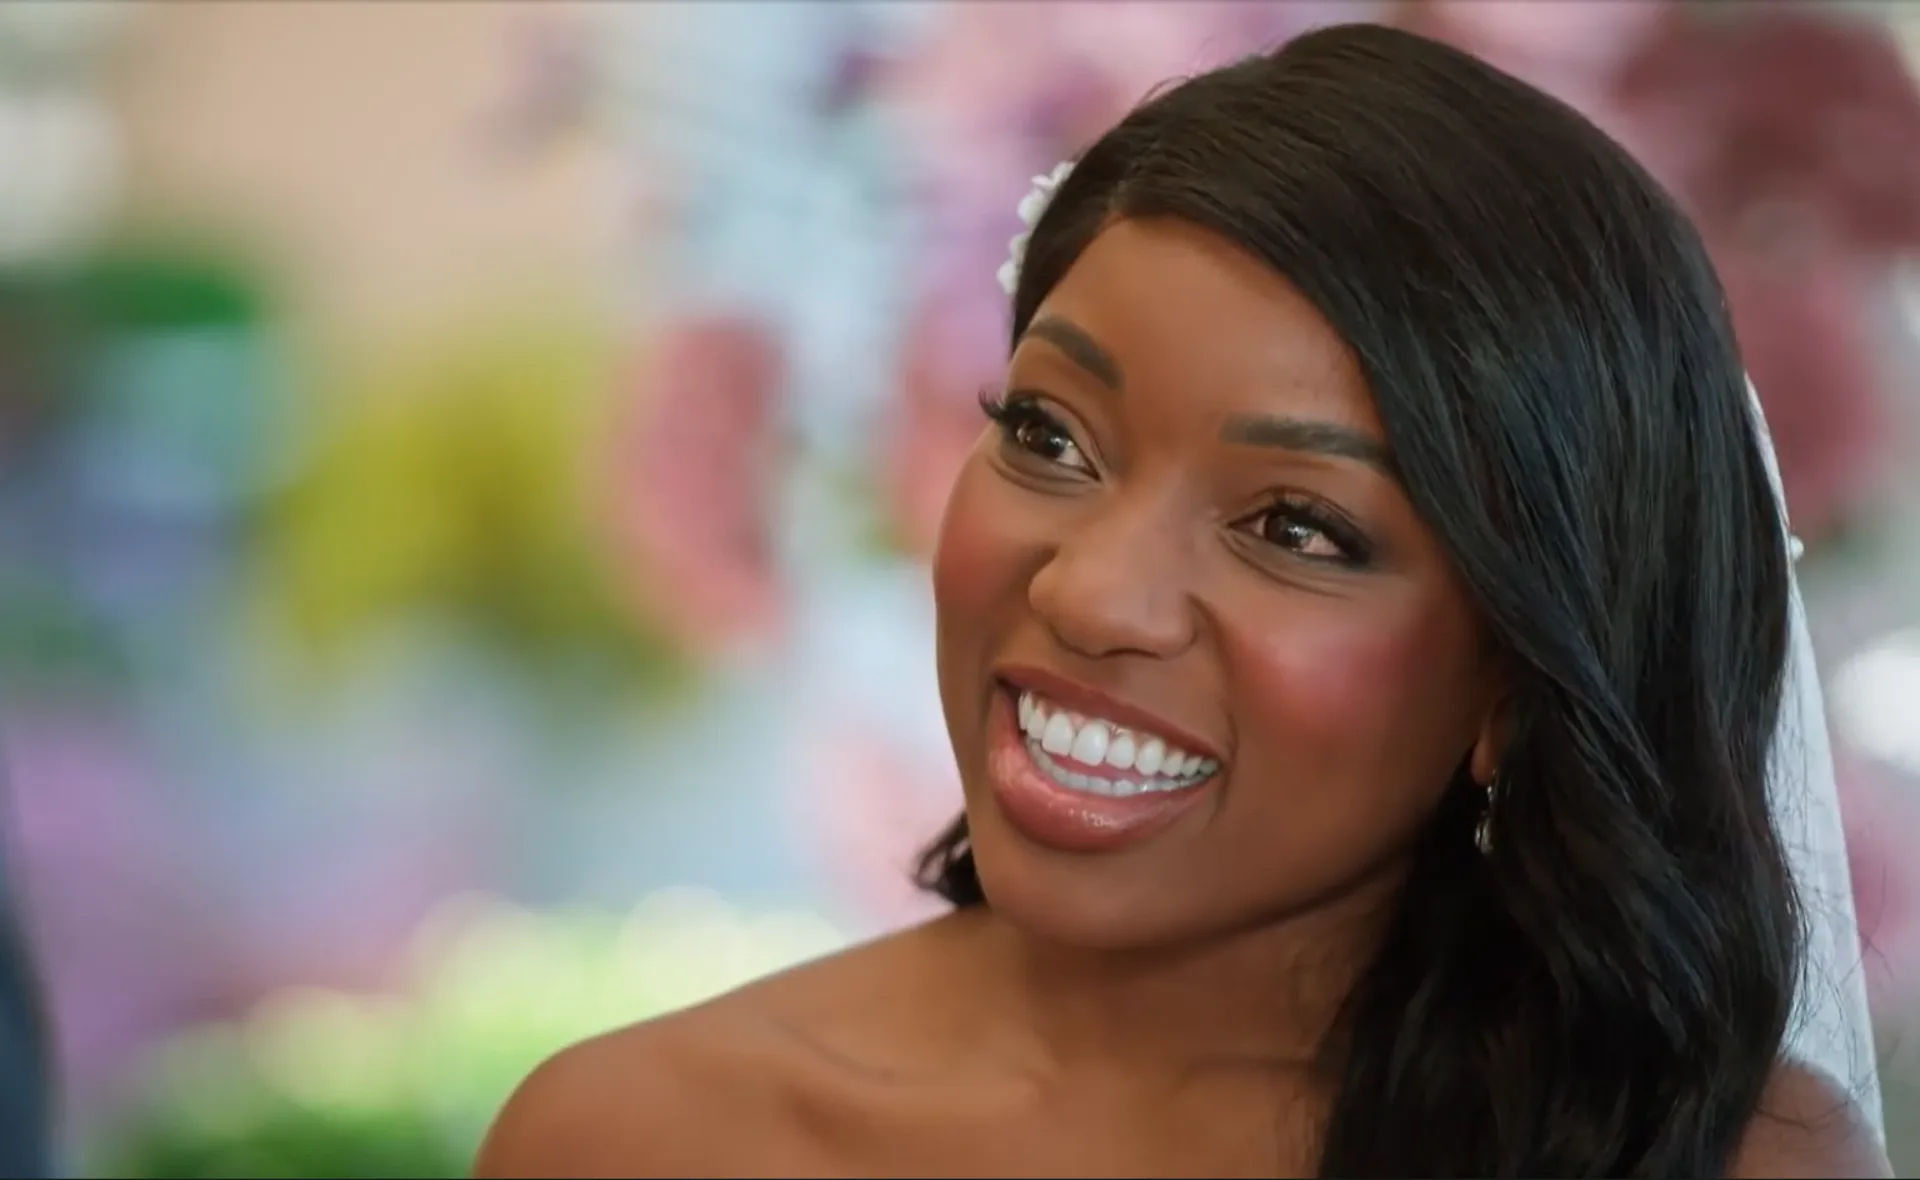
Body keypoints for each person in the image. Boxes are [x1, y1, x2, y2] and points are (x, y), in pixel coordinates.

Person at [475, 24, 1892, 1178]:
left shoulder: (1706, 1159)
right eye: (1047, 435)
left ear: (1516, 677)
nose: (1091, 593)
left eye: (1295, 525)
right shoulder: (641, 1138)